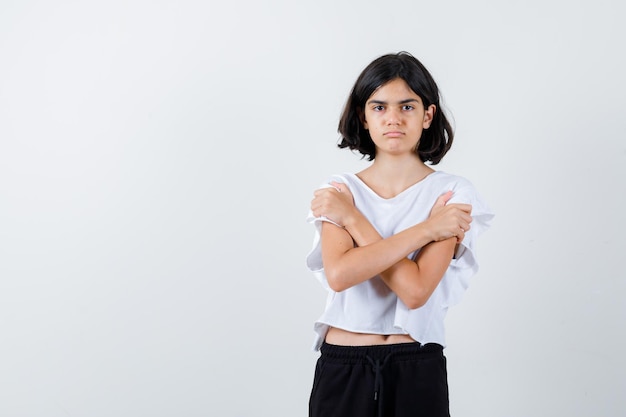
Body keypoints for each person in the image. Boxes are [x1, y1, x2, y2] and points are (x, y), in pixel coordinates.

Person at [305, 52, 494, 417]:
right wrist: (427, 229)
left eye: (407, 106)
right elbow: (341, 275)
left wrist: (353, 221)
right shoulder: (339, 191)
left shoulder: (454, 194)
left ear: (428, 115)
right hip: (344, 367)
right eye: (379, 107)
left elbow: (415, 291)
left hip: (416, 364)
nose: (393, 118)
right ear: (363, 115)